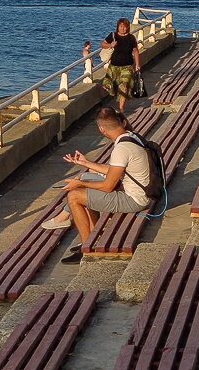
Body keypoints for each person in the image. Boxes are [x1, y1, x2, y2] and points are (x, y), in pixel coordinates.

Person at [40, 107, 152, 265]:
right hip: (141, 191)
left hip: (134, 200)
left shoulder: (122, 149)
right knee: (87, 178)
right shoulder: (131, 137)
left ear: (101, 129)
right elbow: (115, 170)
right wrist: (86, 163)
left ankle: (87, 249)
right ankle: (92, 236)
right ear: (123, 122)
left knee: (74, 196)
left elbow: (107, 187)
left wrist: (79, 184)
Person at [100, 18, 141, 112]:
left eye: (125, 26)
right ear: (118, 27)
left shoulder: (131, 38)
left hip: (127, 66)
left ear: (128, 27)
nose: (123, 28)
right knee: (109, 85)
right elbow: (102, 44)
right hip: (114, 66)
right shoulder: (113, 36)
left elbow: (135, 51)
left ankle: (121, 108)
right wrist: (110, 45)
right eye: (121, 26)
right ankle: (118, 96)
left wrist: (138, 65)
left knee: (124, 85)